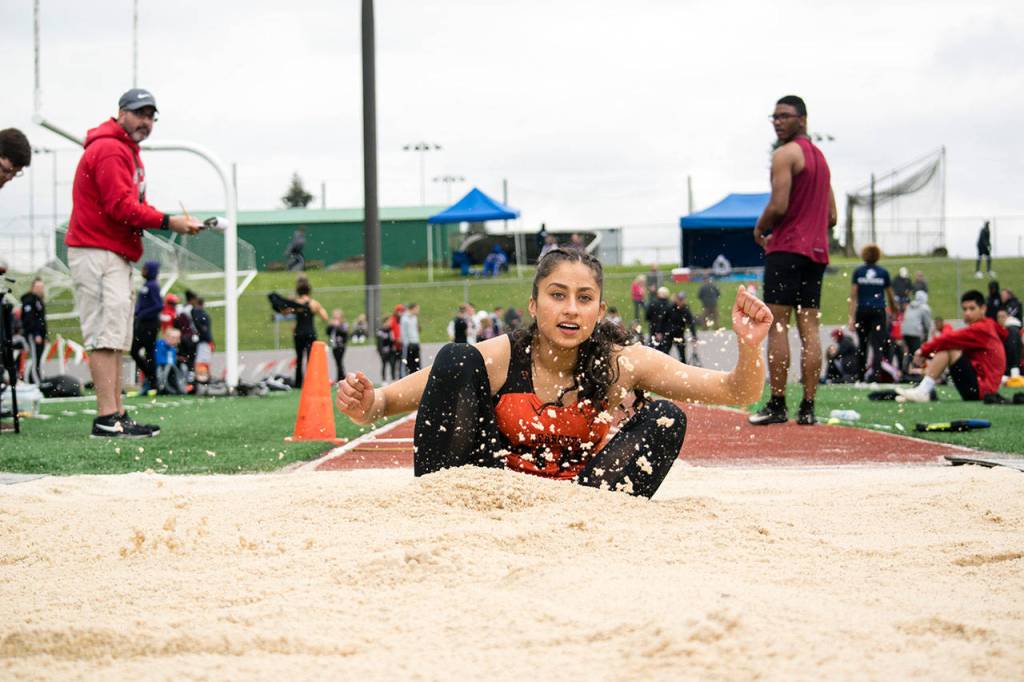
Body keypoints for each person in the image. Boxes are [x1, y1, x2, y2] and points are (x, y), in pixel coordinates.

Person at [335, 248, 772, 498]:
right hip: (490, 496)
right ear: (533, 304)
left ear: (599, 311)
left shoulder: (624, 362)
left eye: (584, 299)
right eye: (557, 295)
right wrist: (366, 402)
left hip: (585, 499)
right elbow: (385, 403)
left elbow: (736, 392)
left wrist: (750, 345)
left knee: (666, 418)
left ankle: (594, 526)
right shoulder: (502, 356)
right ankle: (435, 504)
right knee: (455, 357)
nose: (569, 309)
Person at [65, 89, 201, 437]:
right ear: (121, 113)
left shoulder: (124, 150)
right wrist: (171, 221)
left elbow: (130, 204)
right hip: (97, 251)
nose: (146, 122)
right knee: (104, 335)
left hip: (112, 252)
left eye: (151, 116)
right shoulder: (110, 148)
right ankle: (106, 417)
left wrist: (165, 219)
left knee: (115, 336)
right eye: (140, 113)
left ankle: (117, 414)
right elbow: (121, 207)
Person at [750, 94, 837, 425]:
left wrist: (760, 229)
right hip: (816, 253)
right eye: (773, 116)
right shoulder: (821, 160)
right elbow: (832, 216)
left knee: (777, 325)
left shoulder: (784, 154)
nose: (777, 121)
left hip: (787, 249)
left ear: (802, 119)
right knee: (810, 329)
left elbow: (779, 205)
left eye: (784, 115)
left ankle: (777, 404)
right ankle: (809, 409)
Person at [896, 290, 1007, 403]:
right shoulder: (988, 327)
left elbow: (948, 339)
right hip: (983, 387)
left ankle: (923, 391)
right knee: (949, 347)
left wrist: (923, 351)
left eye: (972, 308)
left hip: (982, 390)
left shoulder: (982, 328)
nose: (967, 313)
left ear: (983, 309)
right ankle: (923, 390)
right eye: (964, 309)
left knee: (949, 349)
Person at [847, 244, 896, 382]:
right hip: (878, 311)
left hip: (862, 311)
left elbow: (853, 296)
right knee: (877, 346)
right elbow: (890, 295)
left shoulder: (858, 272)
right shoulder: (883, 273)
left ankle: (860, 379)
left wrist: (851, 317)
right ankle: (875, 378)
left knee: (862, 344)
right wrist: (894, 311)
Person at [289, 276, 328, 387]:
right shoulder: (314, 303)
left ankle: (298, 383)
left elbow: (286, 312)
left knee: (299, 358)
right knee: (311, 359)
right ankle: (311, 382)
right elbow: (325, 317)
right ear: (309, 290)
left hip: (298, 333)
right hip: (310, 332)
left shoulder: (295, 303)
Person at [130, 262, 162, 393]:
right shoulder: (147, 285)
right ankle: (152, 380)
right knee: (141, 351)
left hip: (149, 324)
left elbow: (159, 305)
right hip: (143, 323)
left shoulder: (152, 285)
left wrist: (142, 314)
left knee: (139, 351)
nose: (142, 271)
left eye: (145, 269)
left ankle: (152, 380)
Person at [19, 278, 47, 384]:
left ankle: (34, 381)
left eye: (41, 287)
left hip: (39, 335)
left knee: (37, 360)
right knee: (35, 360)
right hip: (33, 335)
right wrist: (36, 334)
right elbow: (29, 319)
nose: (40, 289)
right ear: (33, 287)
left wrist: (44, 335)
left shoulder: (38, 300)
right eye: (38, 287)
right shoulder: (29, 300)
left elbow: (41, 320)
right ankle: (37, 383)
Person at [901, 290, 932, 374]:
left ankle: (905, 371)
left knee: (909, 353)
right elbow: (927, 324)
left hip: (905, 332)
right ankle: (916, 373)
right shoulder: (924, 307)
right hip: (915, 332)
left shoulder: (910, 305)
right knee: (917, 353)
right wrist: (926, 337)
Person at [665, 292, 697, 363]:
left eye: (682, 300)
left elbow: (691, 323)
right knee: (665, 353)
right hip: (669, 334)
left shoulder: (685, 310)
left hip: (680, 335)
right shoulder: (670, 308)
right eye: (679, 299)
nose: (681, 302)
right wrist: (660, 331)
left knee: (682, 356)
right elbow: (663, 320)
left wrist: (694, 336)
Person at [154, 327, 186, 395]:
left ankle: (179, 388)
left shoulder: (173, 347)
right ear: (166, 337)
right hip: (162, 367)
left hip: (171, 368)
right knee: (169, 369)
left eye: (177, 338)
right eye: (173, 338)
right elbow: (160, 358)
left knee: (182, 368)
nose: (176, 340)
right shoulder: (160, 344)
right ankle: (165, 388)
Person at [191, 297, 214, 384]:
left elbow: (202, 330)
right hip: (206, 342)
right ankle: (205, 379)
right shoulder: (204, 314)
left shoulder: (198, 314)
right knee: (204, 362)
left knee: (202, 363)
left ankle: (203, 380)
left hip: (204, 343)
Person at [645, 286, 673, 353]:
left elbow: (647, 316)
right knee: (665, 350)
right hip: (666, 329)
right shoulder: (670, 305)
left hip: (654, 327)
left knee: (653, 348)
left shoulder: (653, 303)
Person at [996, 309, 1021, 379]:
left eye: (1003, 316)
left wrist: (1013, 369)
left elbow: (1013, 351)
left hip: (1012, 369)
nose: (1000, 319)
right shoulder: (1001, 331)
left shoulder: (1012, 331)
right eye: (999, 317)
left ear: (1008, 317)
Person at [326, 309, 349, 382]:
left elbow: (345, 334)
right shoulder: (332, 325)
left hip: (341, 346)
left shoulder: (344, 324)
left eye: (337, 317)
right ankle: (341, 377)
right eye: (334, 317)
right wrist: (331, 326)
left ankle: (341, 378)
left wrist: (338, 326)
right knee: (337, 362)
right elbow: (328, 332)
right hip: (334, 345)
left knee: (339, 362)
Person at [400, 303, 422, 375]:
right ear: (413, 308)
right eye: (417, 309)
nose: (418, 311)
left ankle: (417, 377)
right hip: (409, 344)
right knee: (408, 363)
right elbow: (403, 332)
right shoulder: (405, 318)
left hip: (415, 343)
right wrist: (406, 343)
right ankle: (406, 377)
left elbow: (415, 331)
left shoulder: (414, 318)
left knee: (417, 363)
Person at [375, 315, 396, 383]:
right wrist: (381, 352)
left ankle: (393, 379)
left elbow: (392, 340)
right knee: (384, 365)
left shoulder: (390, 330)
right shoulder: (380, 331)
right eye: (389, 321)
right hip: (383, 352)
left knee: (392, 365)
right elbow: (379, 343)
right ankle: (384, 380)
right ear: (385, 322)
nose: (390, 323)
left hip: (391, 351)